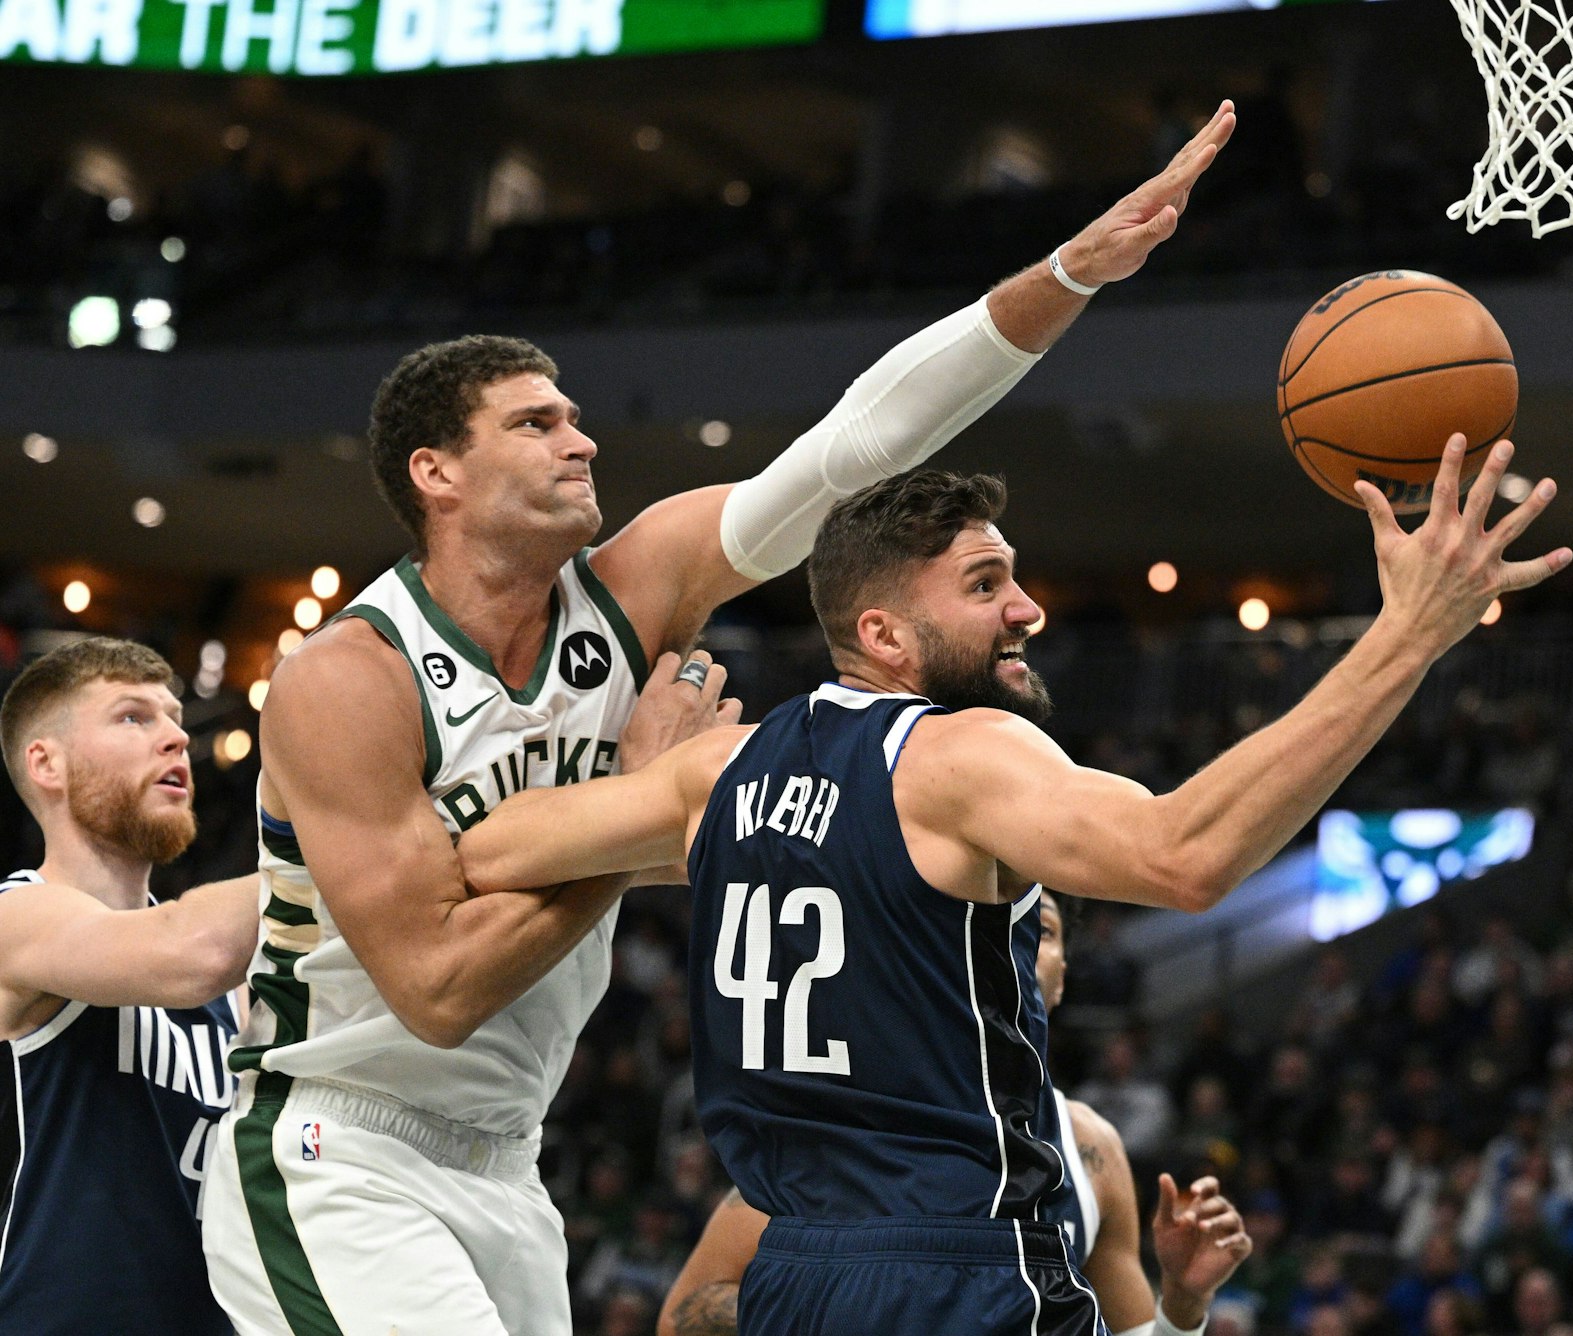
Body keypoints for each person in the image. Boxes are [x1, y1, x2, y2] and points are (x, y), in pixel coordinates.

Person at [202, 103, 1240, 1336]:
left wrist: (1071, 272)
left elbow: (855, 446)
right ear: (436, 473)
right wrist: (663, 802)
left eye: (574, 414)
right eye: (535, 422)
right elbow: (432, 986)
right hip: (337, 1147)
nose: (582, 437)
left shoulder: (634, 588)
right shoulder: (349, 677)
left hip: (506, 1155)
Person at [457, 437, 1569, 1333]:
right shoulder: (960, 754)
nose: (1027, 608)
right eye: (986, 584)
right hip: (960, 1267)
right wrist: (1406, 639)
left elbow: (490, 848)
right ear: (883, 634)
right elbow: (1183, 855)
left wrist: (641, 786)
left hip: (789, 1275)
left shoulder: (717, 772)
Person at [655, 889, 1255, 1336]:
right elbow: (683, 1316)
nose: (1012, 944)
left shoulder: (1091, 1147)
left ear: (1064, 978)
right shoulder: (849, 1117)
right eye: (995, 927)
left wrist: (1181, 1300)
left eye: (1038, 930)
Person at [0, 637, 259, 1333]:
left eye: (174, 717)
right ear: (46, 763)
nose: (176, 737)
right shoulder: (13, 919)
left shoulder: (227, 988)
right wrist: (368, 856)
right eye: (132, 717)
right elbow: (191, 949)